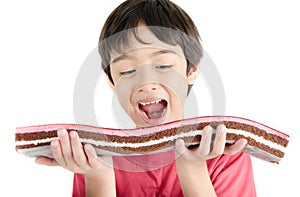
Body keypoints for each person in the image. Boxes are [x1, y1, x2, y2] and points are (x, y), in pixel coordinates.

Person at [36, 0, 256, 196]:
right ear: (112, 81)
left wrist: (193, 170)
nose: (145, 82)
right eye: (127, 71)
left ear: (192, 70)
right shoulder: (94, 157)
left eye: (163, 66)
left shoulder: (226, 153)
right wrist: (98, 177)